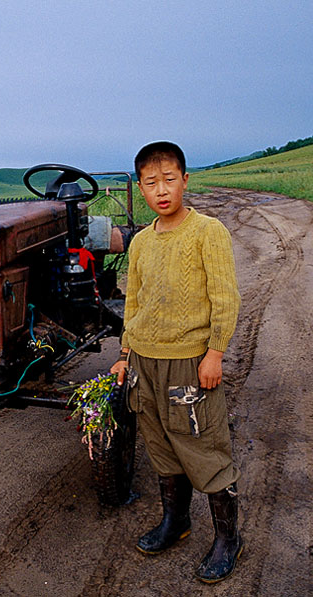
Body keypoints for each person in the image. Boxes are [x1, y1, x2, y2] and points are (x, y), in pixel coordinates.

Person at [110, 141, 243, 583]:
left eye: (169, 180)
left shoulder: (209, 231)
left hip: (190, 363)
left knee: (203, 447)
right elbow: (134, 305)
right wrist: (124, 356)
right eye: (151, 183)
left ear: (185, 180)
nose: (161, 190)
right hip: (145, 362)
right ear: (141, 189)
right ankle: (176, 522)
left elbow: (225, 298)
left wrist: (215, 353)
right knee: (161, 444)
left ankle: (228, 539)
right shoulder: (142, 243)